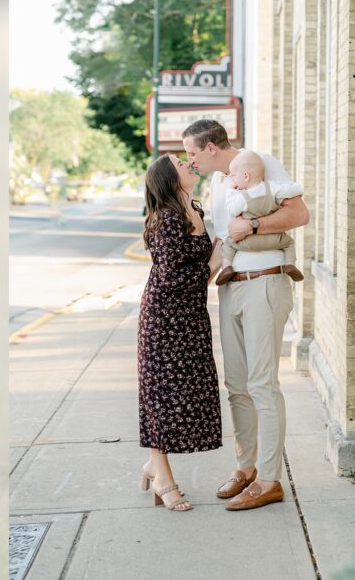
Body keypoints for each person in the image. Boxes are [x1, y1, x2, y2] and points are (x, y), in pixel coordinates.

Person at [181, 119, 309, 511]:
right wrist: (190, 288)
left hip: (265, 283)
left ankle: (270, 479)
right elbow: (223, 238)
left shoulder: (262, 162)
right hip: (231, 286)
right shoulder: (218, 185)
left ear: (211, 148)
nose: (191, 162)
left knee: (262, 384)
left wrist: (252, 223)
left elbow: (299, 214)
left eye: (192, 153)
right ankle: (246, 467)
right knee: (236, 383)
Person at [136, 154, 223, 512]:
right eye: (181, 164)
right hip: (163, 321)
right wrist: (212, 266)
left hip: (190, 319)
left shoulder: (195, 210)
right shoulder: (168, 218)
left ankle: (153, 466)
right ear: (170, 179)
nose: (190, 165)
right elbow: (172, 278)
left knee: (187, 397)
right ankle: (164, 479)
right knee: (162, 401)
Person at [216, 149, 305, 286]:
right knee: (289, 243)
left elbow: (232, 210)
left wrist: (231, 192)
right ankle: (290, 264)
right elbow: (292, 190)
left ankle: (227, 268)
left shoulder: (242, 197)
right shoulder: (273, 188)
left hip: (247, 242)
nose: (232, 179)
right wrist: (299, 188)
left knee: (228, 243)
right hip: (274, 240)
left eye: (234, 176)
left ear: (245, 176)